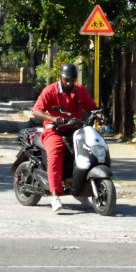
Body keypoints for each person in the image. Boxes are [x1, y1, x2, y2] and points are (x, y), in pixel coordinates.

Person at [31, 63, 97, 213]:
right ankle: (54, 196)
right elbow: (36, 111)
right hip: (53, 131)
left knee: (88, 151)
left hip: (74, 130)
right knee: (56, 151)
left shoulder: (80, 90)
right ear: (61, 77)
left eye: (72, 80)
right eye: (67, 79)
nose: (69, 83)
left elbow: (91, 107)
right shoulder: (50, 90)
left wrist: (98, 113)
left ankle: (81, 190)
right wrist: (53, 118)